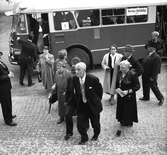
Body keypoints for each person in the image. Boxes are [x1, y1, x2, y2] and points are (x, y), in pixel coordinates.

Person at [73, 62, 103, 145]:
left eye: (78, 70)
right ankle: (84, 138)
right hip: (82, 106)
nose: (76, 72)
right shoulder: (75, 79)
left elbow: (99, 91)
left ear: (84, 70)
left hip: (93, 106)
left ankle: (96, 135)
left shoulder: (93, 79)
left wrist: (96, 101)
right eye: (75, 70)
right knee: (80, 125)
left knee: (95, 124)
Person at [115, 60, 140, 136]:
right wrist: (117, 89)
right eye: (120, 67)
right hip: (121, 95)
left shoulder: (133, 74)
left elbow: (137, 86)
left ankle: (128, 122)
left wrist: (128, 91)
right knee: (121, 107)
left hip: (129, 95)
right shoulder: (119, 73)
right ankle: (122, 120)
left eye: (123, 68)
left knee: (128, 109)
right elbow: (117, 83)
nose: (121, 69)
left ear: (128, 68)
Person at [64, 57, 81, 140]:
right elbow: (67, 90)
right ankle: (69, 132)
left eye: (75, 71)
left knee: (82, 116)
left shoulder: (81, 79)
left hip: (80, 101)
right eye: (73, 71)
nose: (74, 73)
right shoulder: (70, 79)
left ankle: (84, 128)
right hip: (71, 100)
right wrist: (66, 101)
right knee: (67, 115)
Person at [0, 51, 17, 126]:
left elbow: (5, 70)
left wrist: (9, 72)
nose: (0, 56)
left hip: (6, 86)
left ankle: (9, 115)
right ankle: (8, 120)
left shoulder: (0, 62)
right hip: (2, 88)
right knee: (5, 103)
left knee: (8, 102)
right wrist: (8, 76)